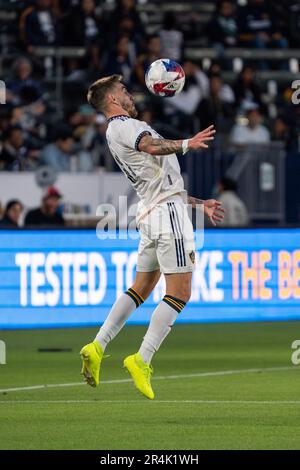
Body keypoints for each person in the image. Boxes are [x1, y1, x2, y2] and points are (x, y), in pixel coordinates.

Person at [80, 74, 224, 400]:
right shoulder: (127, 126)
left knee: (140, 288)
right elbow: (151, 147)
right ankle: (141, 359)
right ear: (113, 99)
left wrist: (199, 204)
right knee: (181, 292)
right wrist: (187, 143)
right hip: (167, 215)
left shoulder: (113, 131)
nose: (130, 95)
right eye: (124, 91)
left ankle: (98, 346)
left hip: (152, 212)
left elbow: (160, 182)